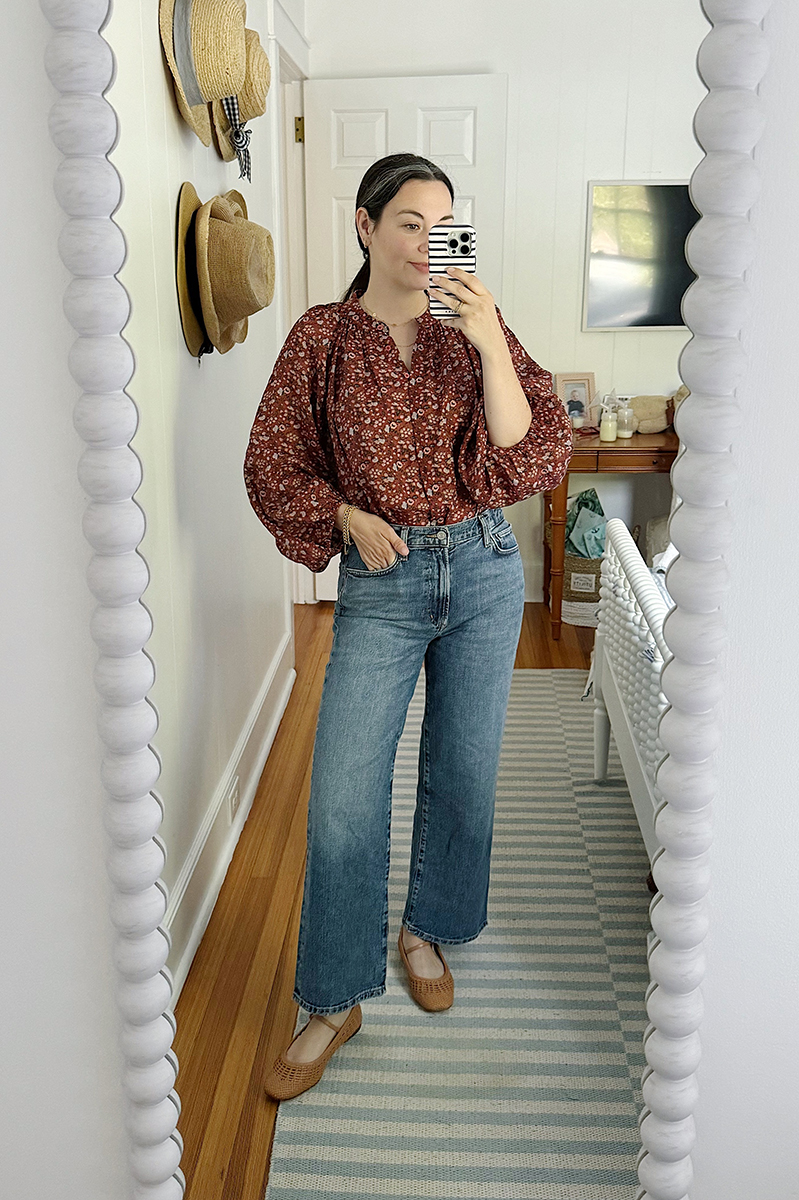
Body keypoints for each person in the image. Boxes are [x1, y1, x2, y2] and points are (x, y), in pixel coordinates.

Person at [243, 152, 572, 1100]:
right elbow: (274, 464)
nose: (427, 242)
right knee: (345, 790)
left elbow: (525, 447)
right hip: (381, 583)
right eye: (408, 223)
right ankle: (333, 998)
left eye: (442, 224)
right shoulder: (321, 337)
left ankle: (425, 930)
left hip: (481, 568)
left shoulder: (474, 329)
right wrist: (344, 517)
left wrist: (486, 341)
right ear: (365, 227)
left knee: (463, 769)